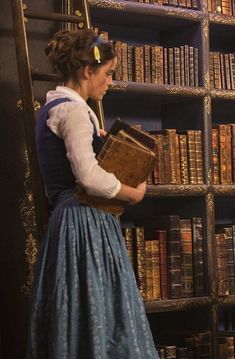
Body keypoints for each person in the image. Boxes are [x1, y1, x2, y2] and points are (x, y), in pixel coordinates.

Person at [27, 28, 159, 359]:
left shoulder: (58, 108)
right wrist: (132, 193)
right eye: (108, 73)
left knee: (79, 312)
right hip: (84, 223)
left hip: (71, 222)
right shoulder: (72, 112)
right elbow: (86, 177)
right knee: (100, 310)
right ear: (88, 71)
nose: (110, 81)